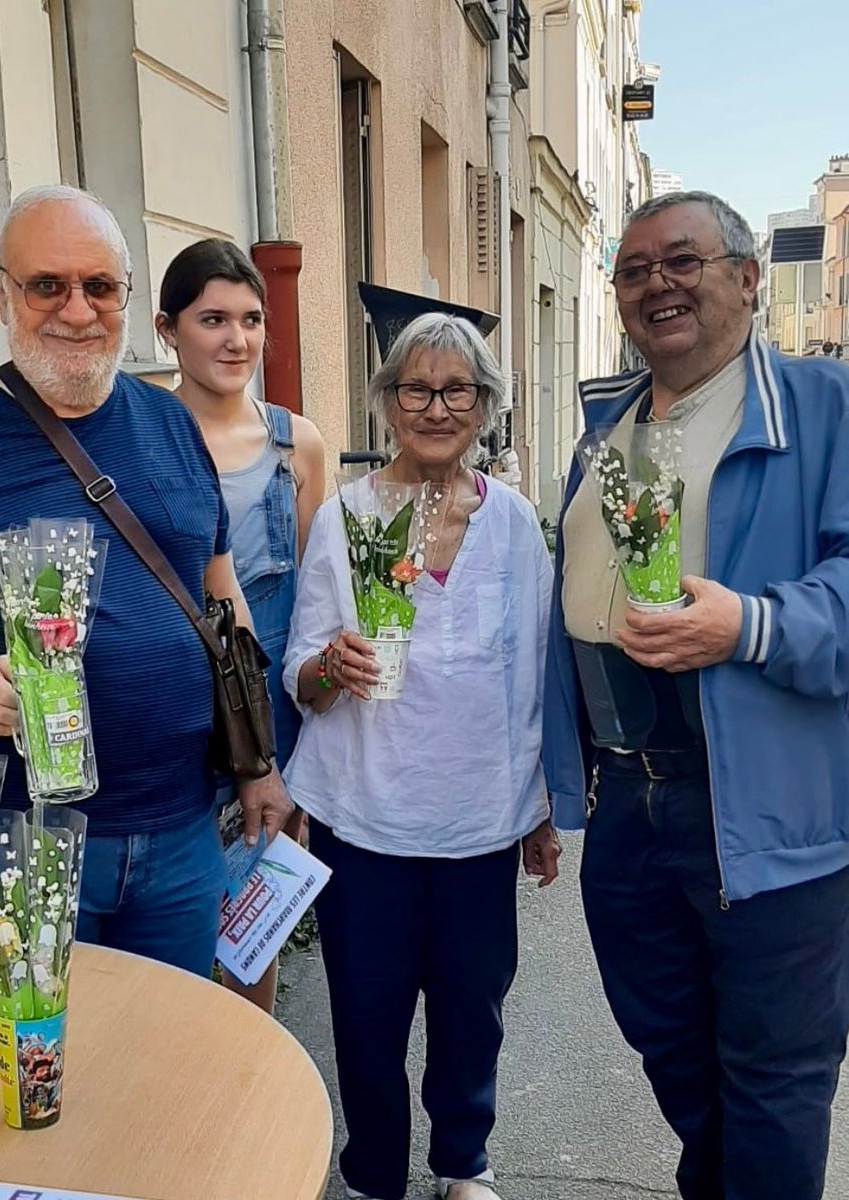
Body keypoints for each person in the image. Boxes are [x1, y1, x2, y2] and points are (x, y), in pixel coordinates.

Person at [0, 184, 292, 978]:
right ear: (0, 291)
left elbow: (220, 594)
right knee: (33, 1085)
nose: (77, 311)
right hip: (13, 840)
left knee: (167, 1069)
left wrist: (258, 759)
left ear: (128, 299)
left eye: (99, 287)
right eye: (48, 285)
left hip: (180, 837)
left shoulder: (171, 422)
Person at [544, 191, 849, 1200]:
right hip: (627, 797)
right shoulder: (608, 429)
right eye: (634, 271)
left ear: (748, 278)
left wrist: (751, 625)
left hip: (759, 801)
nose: (657, 285)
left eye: (684, 261)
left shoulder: (823, 406)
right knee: (673, 1048)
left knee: (774, 1072)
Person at [283, 313, 559, 1200]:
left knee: (472, 1010)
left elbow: (539, 676)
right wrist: (332, 664)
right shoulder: (345, 518)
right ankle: (372, 1173)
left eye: (458, 391)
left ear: (485, 406)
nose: (437, 408)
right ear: (388, 403)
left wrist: (543, 808)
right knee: (366, 1015)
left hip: (480, 817)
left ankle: (461, 1162)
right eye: (417, 389)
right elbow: (300, 673)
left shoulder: (515, 524)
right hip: (365, 818)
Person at [156, 238, 325, 1011]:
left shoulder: (299, 442)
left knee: (258, 923)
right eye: (212, 318)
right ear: (167, 329)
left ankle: (253, 1088)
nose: (237, 339)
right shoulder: (139, 437)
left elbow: (319, 593)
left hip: (273, 714)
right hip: (174, 712)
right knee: (180, 920)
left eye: (251, 319)